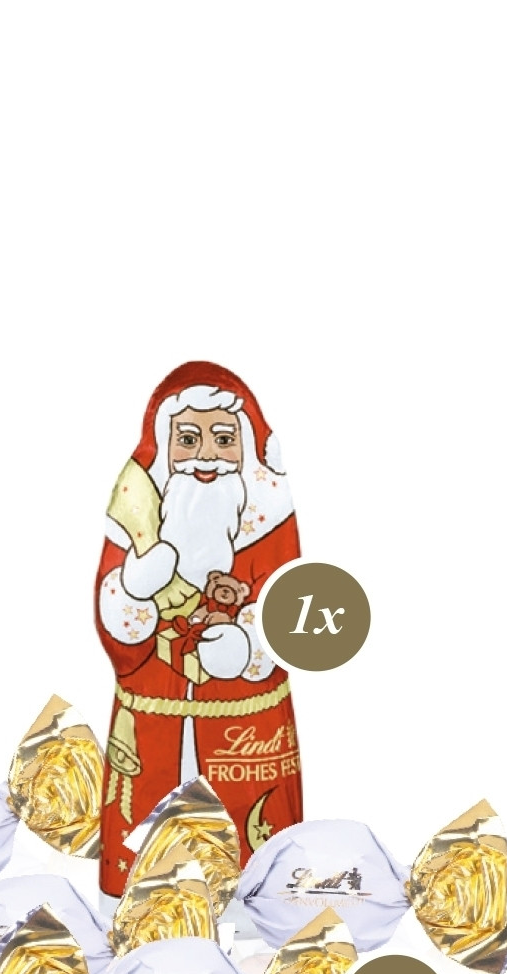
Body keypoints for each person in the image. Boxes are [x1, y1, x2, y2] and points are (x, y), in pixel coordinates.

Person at [94, 361, 304, 900]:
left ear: (246, 447)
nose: (206, 456)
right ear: (164, 447)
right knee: (150, 849)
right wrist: (136, 588)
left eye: (224, 439)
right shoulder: (137, 517)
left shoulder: (268, 520)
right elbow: (111, 613)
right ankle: (148, 907)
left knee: (249, 844)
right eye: (188, 439)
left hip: (244, 722)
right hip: (154, 716)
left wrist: (248, 645)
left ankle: (252, 912)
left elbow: (290, 604)